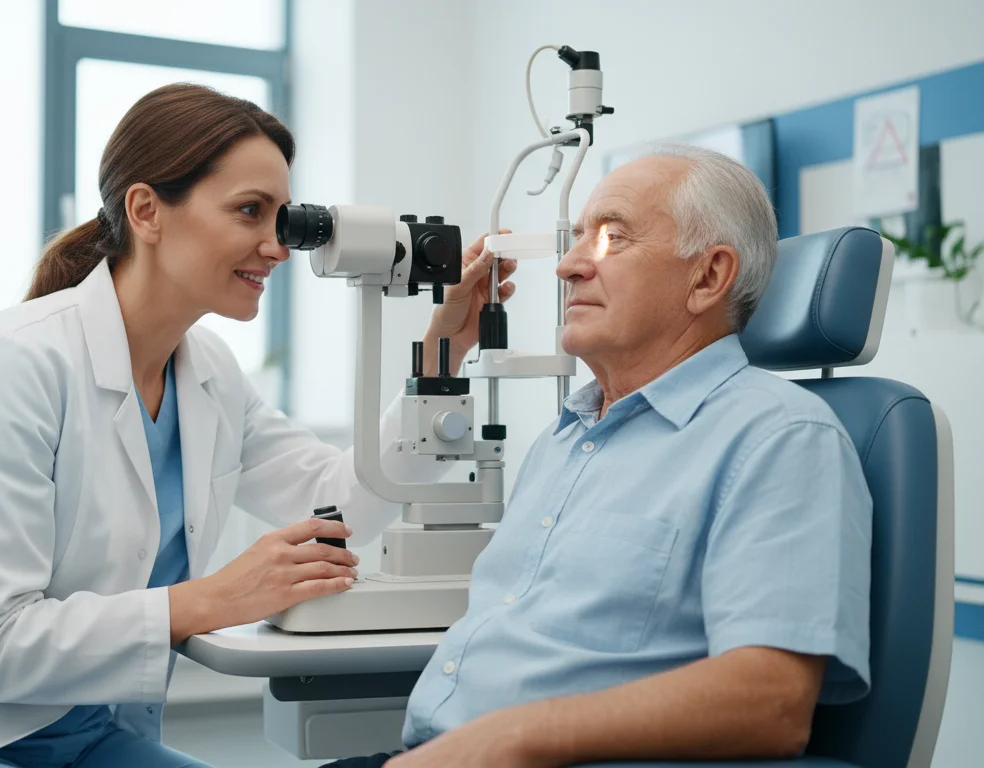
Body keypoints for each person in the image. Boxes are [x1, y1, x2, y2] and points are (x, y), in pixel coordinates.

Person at [0, 83, 517, 768]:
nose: (277, 246)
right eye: (249, 211)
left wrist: (443, 348)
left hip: (83, 733)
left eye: (283, 219)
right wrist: (214, 598)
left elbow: (345, 501)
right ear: (147, 210)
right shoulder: (14, 364)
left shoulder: (211, 375)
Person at [325, 145, 873, 768]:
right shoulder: (565, 438)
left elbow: (771, 701)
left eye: (611, 238)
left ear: (709, 277)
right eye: (577, 237)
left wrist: (514, 736)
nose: (567, 265)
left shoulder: (779, 439)